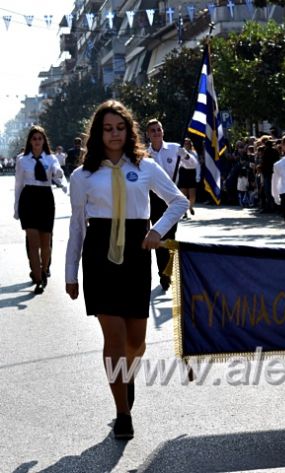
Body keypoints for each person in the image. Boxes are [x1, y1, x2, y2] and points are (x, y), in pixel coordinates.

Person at [65, 100, 188, 439]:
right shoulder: (83, 175)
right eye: (107, 129)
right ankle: (122, 413)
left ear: (128, 130)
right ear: (98, 133)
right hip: (99, 257)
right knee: (114, 339)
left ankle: (126, 378)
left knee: (137, 342)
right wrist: (70, 274)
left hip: (136, 254)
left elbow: (179, 201)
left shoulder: (145, 167)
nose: (114, 134)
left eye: (119, 128)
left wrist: (156, 230)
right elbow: (77, 226)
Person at [14, 126, 66, 294]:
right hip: (28, 199)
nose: (37, 141)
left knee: (45, 242)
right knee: (33, 241)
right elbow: (18, 185)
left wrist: (62, 181)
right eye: (34, 138)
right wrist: (16, 208)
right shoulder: (22, 160)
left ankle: (44, 271)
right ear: (30, 141)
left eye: (40, 138)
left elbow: (59, 175)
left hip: (45, 199)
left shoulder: (51, 159)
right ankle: (37, 278)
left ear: (44, 141)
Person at [145, 119, 182, 291]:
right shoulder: (144, 155)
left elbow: (190, 163)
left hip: (172, 198)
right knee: (158, 236)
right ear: (148, 134)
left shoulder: (175, 149)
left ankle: (171, 270)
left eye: (158, 129)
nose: (156, 132)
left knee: (171, 238)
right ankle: (163, 274)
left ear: (163, 131)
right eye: (153, 130)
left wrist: (188, 155)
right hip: (153, 199)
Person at [177, 137, 201, 220]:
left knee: (192, 195)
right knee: (183, 195)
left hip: (191, 173)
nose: (186, 145)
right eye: (185, 143)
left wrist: (198, 176)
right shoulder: (180, 152)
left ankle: (190, 207)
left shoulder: (193, 153)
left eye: (188, 143)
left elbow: (197, 165)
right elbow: (177, 164)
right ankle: (184, 212)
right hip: (183, 173)